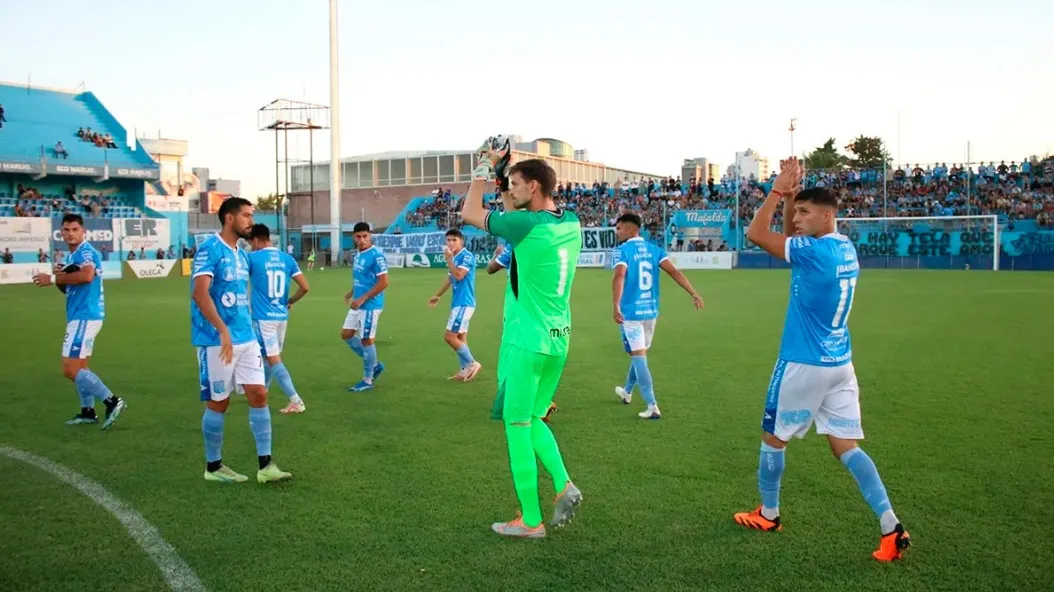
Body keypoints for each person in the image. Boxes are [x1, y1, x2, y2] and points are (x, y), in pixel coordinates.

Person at [736, 157, 910, 562]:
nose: (796, 219)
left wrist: (778, 190)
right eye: (796, 213)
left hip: (803, 363)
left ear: (827, 215)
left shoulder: (814, 254)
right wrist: (793, 199)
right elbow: (786, 241)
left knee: (772, 439)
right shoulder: (842, 246)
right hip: (840, 364)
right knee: (845, 445)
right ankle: (890, 525)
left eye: (804, 213)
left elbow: (755, 233)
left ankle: (769, 513)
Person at [460, 136, 582, 538]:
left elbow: (469, 212)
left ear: (533, 186)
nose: (509, 192)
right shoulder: (568, 221)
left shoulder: (524, 225)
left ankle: (531, 521)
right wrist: (504, 175)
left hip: (526, 341)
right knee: (532, 418)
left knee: (516, 426)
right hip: (558, 339)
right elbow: (514, 220)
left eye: (515, 185)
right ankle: (563, 483)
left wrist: (483, 166)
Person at [191, 197, 291, 484]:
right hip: (216, 340)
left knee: (259, 394)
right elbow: (200, 293)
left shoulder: (242, 253)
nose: (251, 220)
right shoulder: (210, 249)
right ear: (229, 219)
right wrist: (222, 329)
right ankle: (213, 466)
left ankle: (266, 465)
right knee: (218, 403)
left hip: (246, 338)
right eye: (246, 216)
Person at [32, 214, 126, 429]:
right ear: (61, 233)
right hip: (82, 315)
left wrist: (53, 278)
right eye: (66, 230)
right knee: (81, 366)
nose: (70, 233)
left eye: (75, 229)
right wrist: (60, 276)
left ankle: (112, 401)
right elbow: (69, 287)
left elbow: (86, 277)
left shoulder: (85, 252)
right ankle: (88, 411)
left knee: (70, 368)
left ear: (83, 232)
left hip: (85, 316)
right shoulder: (72, 256)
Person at [611, 213, 704, 419]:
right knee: (639, 354)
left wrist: (616, 304)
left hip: (632, 314)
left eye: (619, 228)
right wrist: (694, 293)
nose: (616, 232)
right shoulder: (655, 250)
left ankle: (652, 405)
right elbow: (675, 273)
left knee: (639, 357)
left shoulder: (621, 251)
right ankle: (626, 392)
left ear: (630, 230)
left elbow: (619, 276)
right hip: (650, 311)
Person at [488, 241, 558, 423]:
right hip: (540, 307)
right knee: (532, 354)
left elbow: (491, 268)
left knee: (511, 357)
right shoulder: (544, 241)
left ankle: (533, 404)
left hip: (517, 308)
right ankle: (541, 401)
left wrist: (496, 255)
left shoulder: (516, 242)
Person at [248, 224, 310, 414]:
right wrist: (289, 301)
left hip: (263, 317)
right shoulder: (287, 258)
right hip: (281, 316)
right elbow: (305, 287)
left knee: (273, 359)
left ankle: (296, 400)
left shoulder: (252, 258)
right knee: (268, 356)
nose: (250, 247)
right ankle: (262, 390)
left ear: (257, 240)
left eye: (250, 243)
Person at [427, 228, 482, 381]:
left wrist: (449, 260)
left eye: (454, 240)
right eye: (448, 240)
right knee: (461, 337)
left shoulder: (466, 256)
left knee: (449, 337)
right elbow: (450, 279)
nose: (450, 243)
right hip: (458, 303)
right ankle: (464, 370)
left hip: (465, 302)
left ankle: (472, 363)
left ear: (461, 241)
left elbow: (458, 276)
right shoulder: (456, 257)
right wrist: (438, 295)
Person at [342, 222, 388, 392]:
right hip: (359, 303)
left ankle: (368, 380)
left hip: (370, 305)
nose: (361, 240)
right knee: (346, 334)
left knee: (367, 340)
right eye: (358, 237)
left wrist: (363, 298)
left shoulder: (376, 256)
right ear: (354, 237)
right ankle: (374, 364)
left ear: (370, 236)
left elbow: (384, 282)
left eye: (365, 236)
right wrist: (350, 292)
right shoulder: (358, 254)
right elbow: (362, 279)